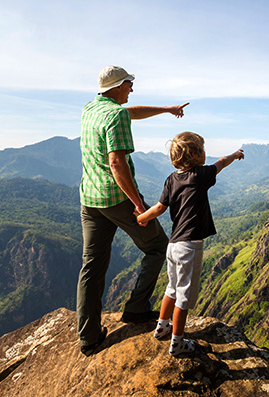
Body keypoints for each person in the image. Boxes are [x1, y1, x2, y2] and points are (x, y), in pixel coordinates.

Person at [77, 65, 189, 356]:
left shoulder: (92, 108)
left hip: (90, 199)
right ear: (116, 86)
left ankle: (88, 338)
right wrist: (138, 204)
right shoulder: (114, 115)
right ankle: (137, 308)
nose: (131, 88)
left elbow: (130, 111)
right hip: (117, 199)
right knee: (158, 247)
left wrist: (167, 109)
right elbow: (117, 163)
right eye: (128, 84)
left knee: (92, 266)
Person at [136, 132, 244, 356]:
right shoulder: (200, 175)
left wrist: (142, 218)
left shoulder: (171, 179)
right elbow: (221, 163)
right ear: (196, 155)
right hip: (189, 246)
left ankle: (162, 327)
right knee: (183, 296)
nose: (206, 153)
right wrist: (235, 155)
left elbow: (159, 208)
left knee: (172, 288)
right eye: (202, 149)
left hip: (173, 245)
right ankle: (177, 342)